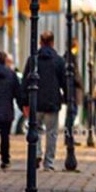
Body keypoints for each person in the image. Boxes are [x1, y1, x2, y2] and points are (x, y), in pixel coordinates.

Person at [24, 31, 66, 171]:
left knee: (36, 129)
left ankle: (36, 153)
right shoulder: (59, 60)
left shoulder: (32, 60)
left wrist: (24, 101)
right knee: (52, 133)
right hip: (52, 102)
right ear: (53, 42)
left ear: (40, 42)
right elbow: (64, 82)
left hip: (36, 101)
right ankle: (49, 163)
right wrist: (66, 98)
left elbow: (25, 81)